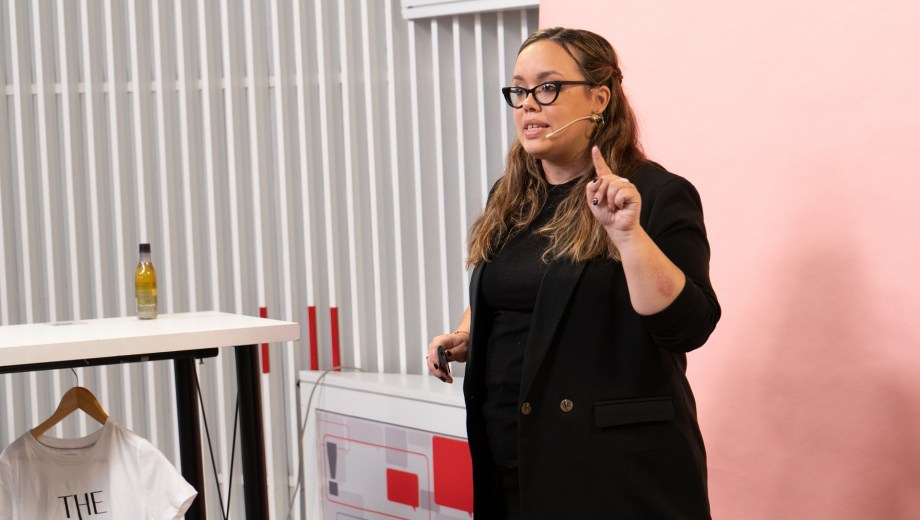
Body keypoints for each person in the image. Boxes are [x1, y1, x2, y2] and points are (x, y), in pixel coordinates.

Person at [426, 27, 720, 519]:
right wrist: (466, 334)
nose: (528, 104)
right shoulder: (512, 195)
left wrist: (629, 236)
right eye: (519, 90)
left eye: (548, 87)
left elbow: (688, 328)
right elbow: (514, 294)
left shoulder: (655, 195)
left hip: (612, 473)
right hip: (512, 461)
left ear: (599, 98)